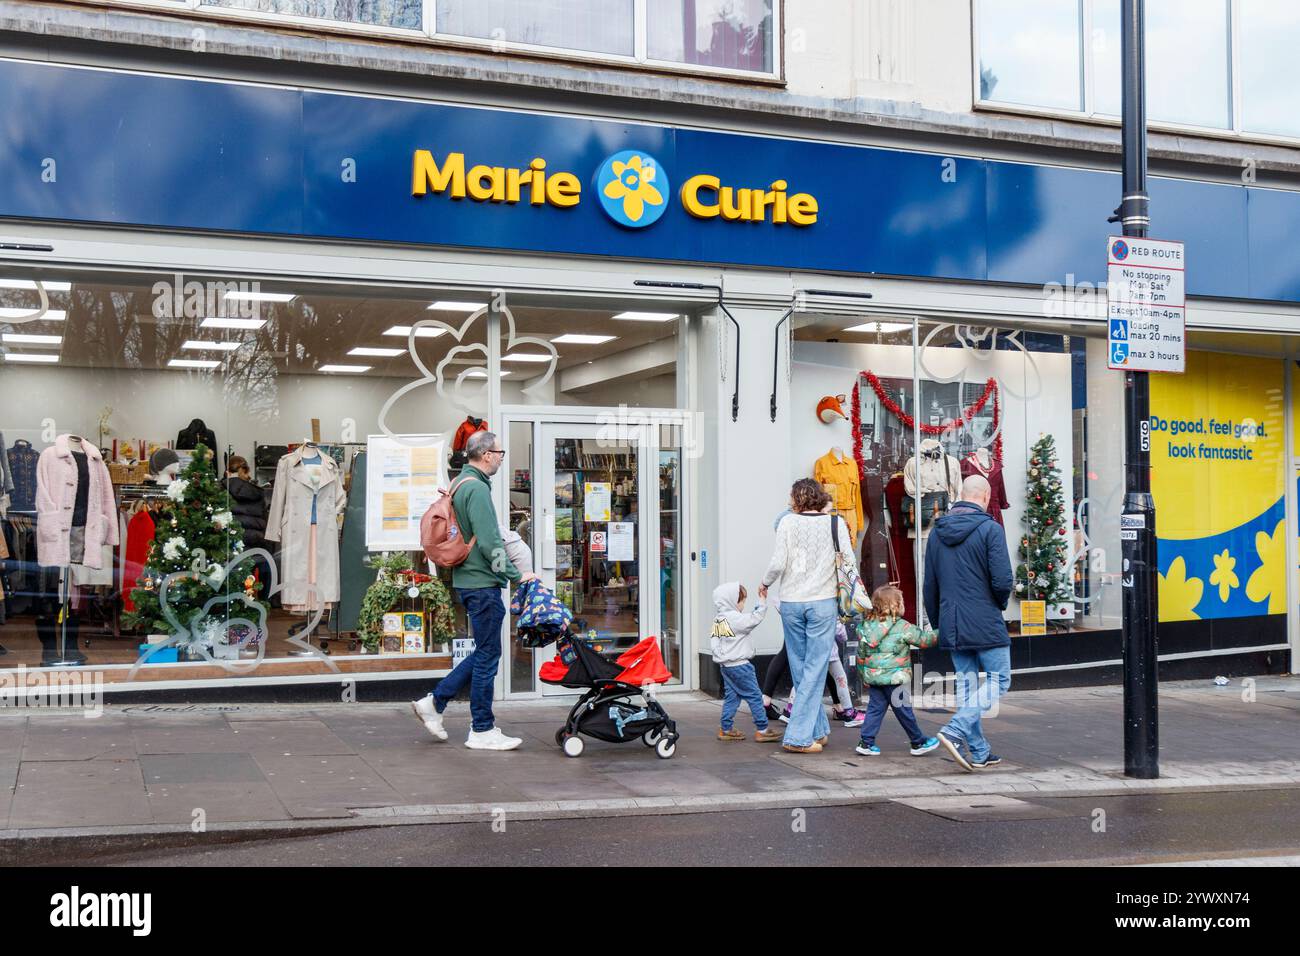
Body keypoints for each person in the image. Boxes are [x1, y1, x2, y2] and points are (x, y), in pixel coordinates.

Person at [412, 431, 538, 751]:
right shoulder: (477, 489)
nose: (500, 458)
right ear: (485, 455)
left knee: (485, 651)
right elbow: (490, 541)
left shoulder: (459, 483)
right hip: (482, 584)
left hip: (469, 582)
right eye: (500, 453)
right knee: (487, 656)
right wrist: (517, 576)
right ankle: (482, 729)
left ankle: (434, 703)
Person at [923, 474, 1013, 772]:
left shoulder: (937, 531)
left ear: (961, 494)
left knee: (967, 683)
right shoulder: (990, 529)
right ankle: (954, 730)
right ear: (986, 497)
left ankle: (979, 750)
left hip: (952, 620)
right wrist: (997, 606)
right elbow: (1002, 580)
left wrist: (939, 623)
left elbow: (930, 586)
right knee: (1000, 679)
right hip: (985, 618)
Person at [759, 478, 855, 754]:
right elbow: (848, 562)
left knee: (801, 667)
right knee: (815, 666)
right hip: (822, 602)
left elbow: (778, 562)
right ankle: (798, 737)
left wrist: (765, 583)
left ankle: (817, 729)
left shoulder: (787, 522)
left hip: (791, 602)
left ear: (797, 499)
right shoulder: (834, 523)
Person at [854, 585, 940, 757]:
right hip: (895, 679)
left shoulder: (865, 626)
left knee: (874, 709)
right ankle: (918, 742)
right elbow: (925, 640)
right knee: (903, 710)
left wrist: (864, 675)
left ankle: (866, 742)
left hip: (875, 678)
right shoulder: (902, 627)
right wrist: (942, 630)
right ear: (896, 605)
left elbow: (861, 655)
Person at [711, 582, 783, 743]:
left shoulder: (718, 619)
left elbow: (715, 643)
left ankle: (726, 728)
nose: (743, 604)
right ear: (731, 601)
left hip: (726, 667)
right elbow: (754, 619)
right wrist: (762, 602)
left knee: (732, 697)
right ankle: (762, 729)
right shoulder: (735, 618)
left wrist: (722, 656)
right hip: (741, 666)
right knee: (755, 697)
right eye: (742, 601)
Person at [224, 456, 266, 550]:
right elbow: (264, 518)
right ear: (245, 471)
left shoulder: (219, 489)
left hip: (228, 543)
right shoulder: (257, 492)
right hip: (255, 541)